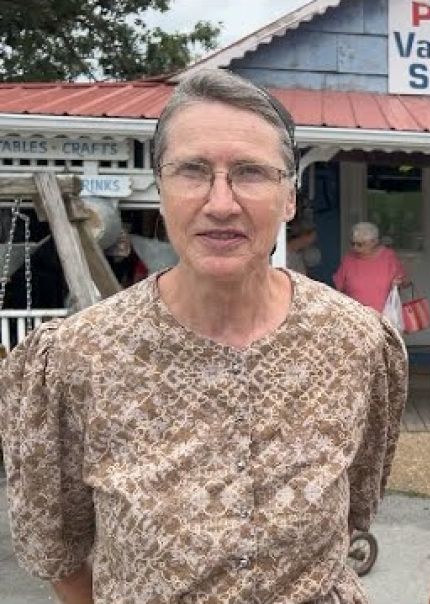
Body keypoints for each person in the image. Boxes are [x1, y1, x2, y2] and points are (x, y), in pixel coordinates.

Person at [0, 69, 407, 604]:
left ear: (289, 198)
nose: (221, 202)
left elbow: (358, 502)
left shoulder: (356, 343)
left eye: (251, 173)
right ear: (161, 190)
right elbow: (62, 553)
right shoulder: (80, 358)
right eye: (192, 171)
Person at [333, 221, 409, 310]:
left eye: (360, 244)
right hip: (356, 315)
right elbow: (337, 288)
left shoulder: (388, 257)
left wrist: (399, 282)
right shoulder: (349, 258)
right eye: (352, 243)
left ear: (374, 242)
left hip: (384, 316)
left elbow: (405, 282)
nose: (355, 248)